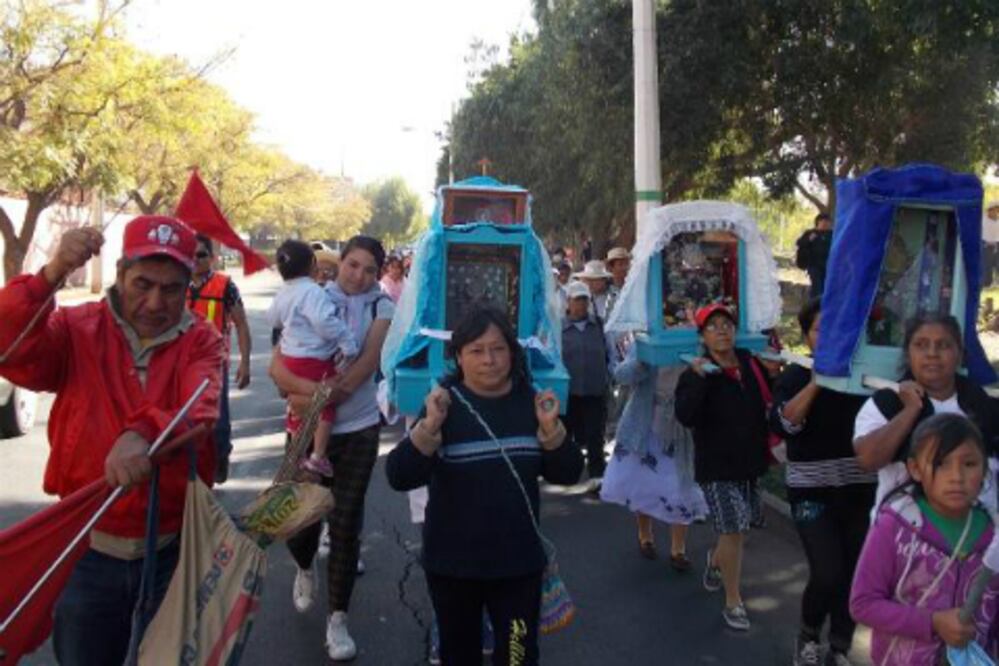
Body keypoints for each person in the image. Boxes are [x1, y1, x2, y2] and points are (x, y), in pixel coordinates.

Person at [0, 216, 222, 665]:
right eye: (143, 283)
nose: (155, 302)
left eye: (171, 288)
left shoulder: (203, 339)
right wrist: (50, 274)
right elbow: (12, 350)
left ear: (188, 287)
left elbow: (200, 409)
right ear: (120, 273)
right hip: (86, 548)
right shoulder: (75, 329)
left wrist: (142, 432)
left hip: (170, 553)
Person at [385, 307, 583, 666]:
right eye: (476, 351)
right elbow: (399, 476)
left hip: (518, 567)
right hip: (453, 567)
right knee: (459, 656)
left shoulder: (535, 403)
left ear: (513, 352)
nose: (489, 360)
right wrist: (429, 428)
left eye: (498, 349)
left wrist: (551, 431)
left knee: (518, 656)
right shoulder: (443, 406)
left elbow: (569, 473)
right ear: (458, 356)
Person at [270, 235, 394, 661]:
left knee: (344, 526)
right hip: (304, 427)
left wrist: (310, 395)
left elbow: (364, 366)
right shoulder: (308, 295)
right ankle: (305, 566)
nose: (358, 276)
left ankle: (337, 619)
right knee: (299, 522)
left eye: (369, 270)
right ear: (339, 263)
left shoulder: (383, 307)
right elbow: (275, 366)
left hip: (358, 429)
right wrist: (307, 396)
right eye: (352, 265)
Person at [770, 299, 877, 666]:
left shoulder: (867, 375)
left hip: (860, 491)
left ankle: (840, 646)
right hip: (811, 493)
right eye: (819, 330)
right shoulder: (796, 375)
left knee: (854, 574)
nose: (829, 338)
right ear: (806, 336)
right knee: (827, 572)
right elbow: (785, 423)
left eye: (837, 330)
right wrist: (820, 380)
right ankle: (808, 633)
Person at [850, 414, 999, 666]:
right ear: (915, 469)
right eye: (941, 463)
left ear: (985, 468)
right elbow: (863, 603)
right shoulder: (894, 527)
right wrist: (933, 622)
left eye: (969, 464)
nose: (956, 477)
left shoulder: (993, 535)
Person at [675, 304, 771, 632]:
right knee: (732, 529)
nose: (722, 330)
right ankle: (733, 600)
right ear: (702, 336)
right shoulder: (695, 372)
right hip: (716, 466)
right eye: (713, 326)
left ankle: (716, 563)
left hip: (750, 463)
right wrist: (700, 381)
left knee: (740, 529)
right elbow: (685, 416)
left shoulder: (750, 362)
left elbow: (765, 405)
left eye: (726, 324)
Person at [853, 313, 997, 513]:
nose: (932, 354)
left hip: (975, 533)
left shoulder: (983, 404)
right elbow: (868, 460)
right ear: (908, 353)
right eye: (921, 345)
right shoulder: (886, 403)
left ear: (960, 354)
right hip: (904, 532)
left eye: (944, 345)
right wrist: (910, 410)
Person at [601, 329, 708, 570]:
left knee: (681, 483)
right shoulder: (646, 341)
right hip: (644, 424)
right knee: (642, 481)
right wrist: (644, 360)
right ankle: (645, 534)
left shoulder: (698, 342)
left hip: (680, 425)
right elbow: (621, 374)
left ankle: (678, 549)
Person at [268, 240, 358, 477]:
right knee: (324, 407)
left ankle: (297, 455)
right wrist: (346, 342)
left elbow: (274, 319)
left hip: (290, 357)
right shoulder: (312, 292)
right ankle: (318, 455)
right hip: (314, 359)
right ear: (312, 265)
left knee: (298, 409)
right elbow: (324, 322)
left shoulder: (284, 291)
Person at [187, 233, 252, 483]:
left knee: (218, 423)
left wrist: (245, 363)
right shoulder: (176, 283)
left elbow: (242, 325)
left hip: (214, 365)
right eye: (191, 255)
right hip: (179, 365)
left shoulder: (226, 287)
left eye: (201, 255)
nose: (195, 260)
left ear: (212, 258)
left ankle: (221, 455)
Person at [561, 281, 610, 486]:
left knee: (594, 434)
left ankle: (596, 475)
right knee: (566, 434)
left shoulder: (599, 324)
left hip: (594, 388)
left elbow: (610, 353)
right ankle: (566, 472)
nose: (581, 304)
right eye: (577, 300)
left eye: (584, 300)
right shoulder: (559, 327)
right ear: (568, 302)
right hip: (569, 390)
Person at [796, 212, 834, 298]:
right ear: (818, 222)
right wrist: (809, 239)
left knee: (825, 288)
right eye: (823, 222)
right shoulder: (810, 233)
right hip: (813, 265)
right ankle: (814, 306)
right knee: (817, 288)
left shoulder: (832, 234)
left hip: (828, 266)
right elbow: (799, 243)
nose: (825, 224)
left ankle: (821, 307)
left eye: (828, 222)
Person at [604, 246, 630, 317]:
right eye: (620, 264)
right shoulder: (605, 290)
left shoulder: (633, 288)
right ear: (611, 268)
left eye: (627, 264)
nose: (625, 268)